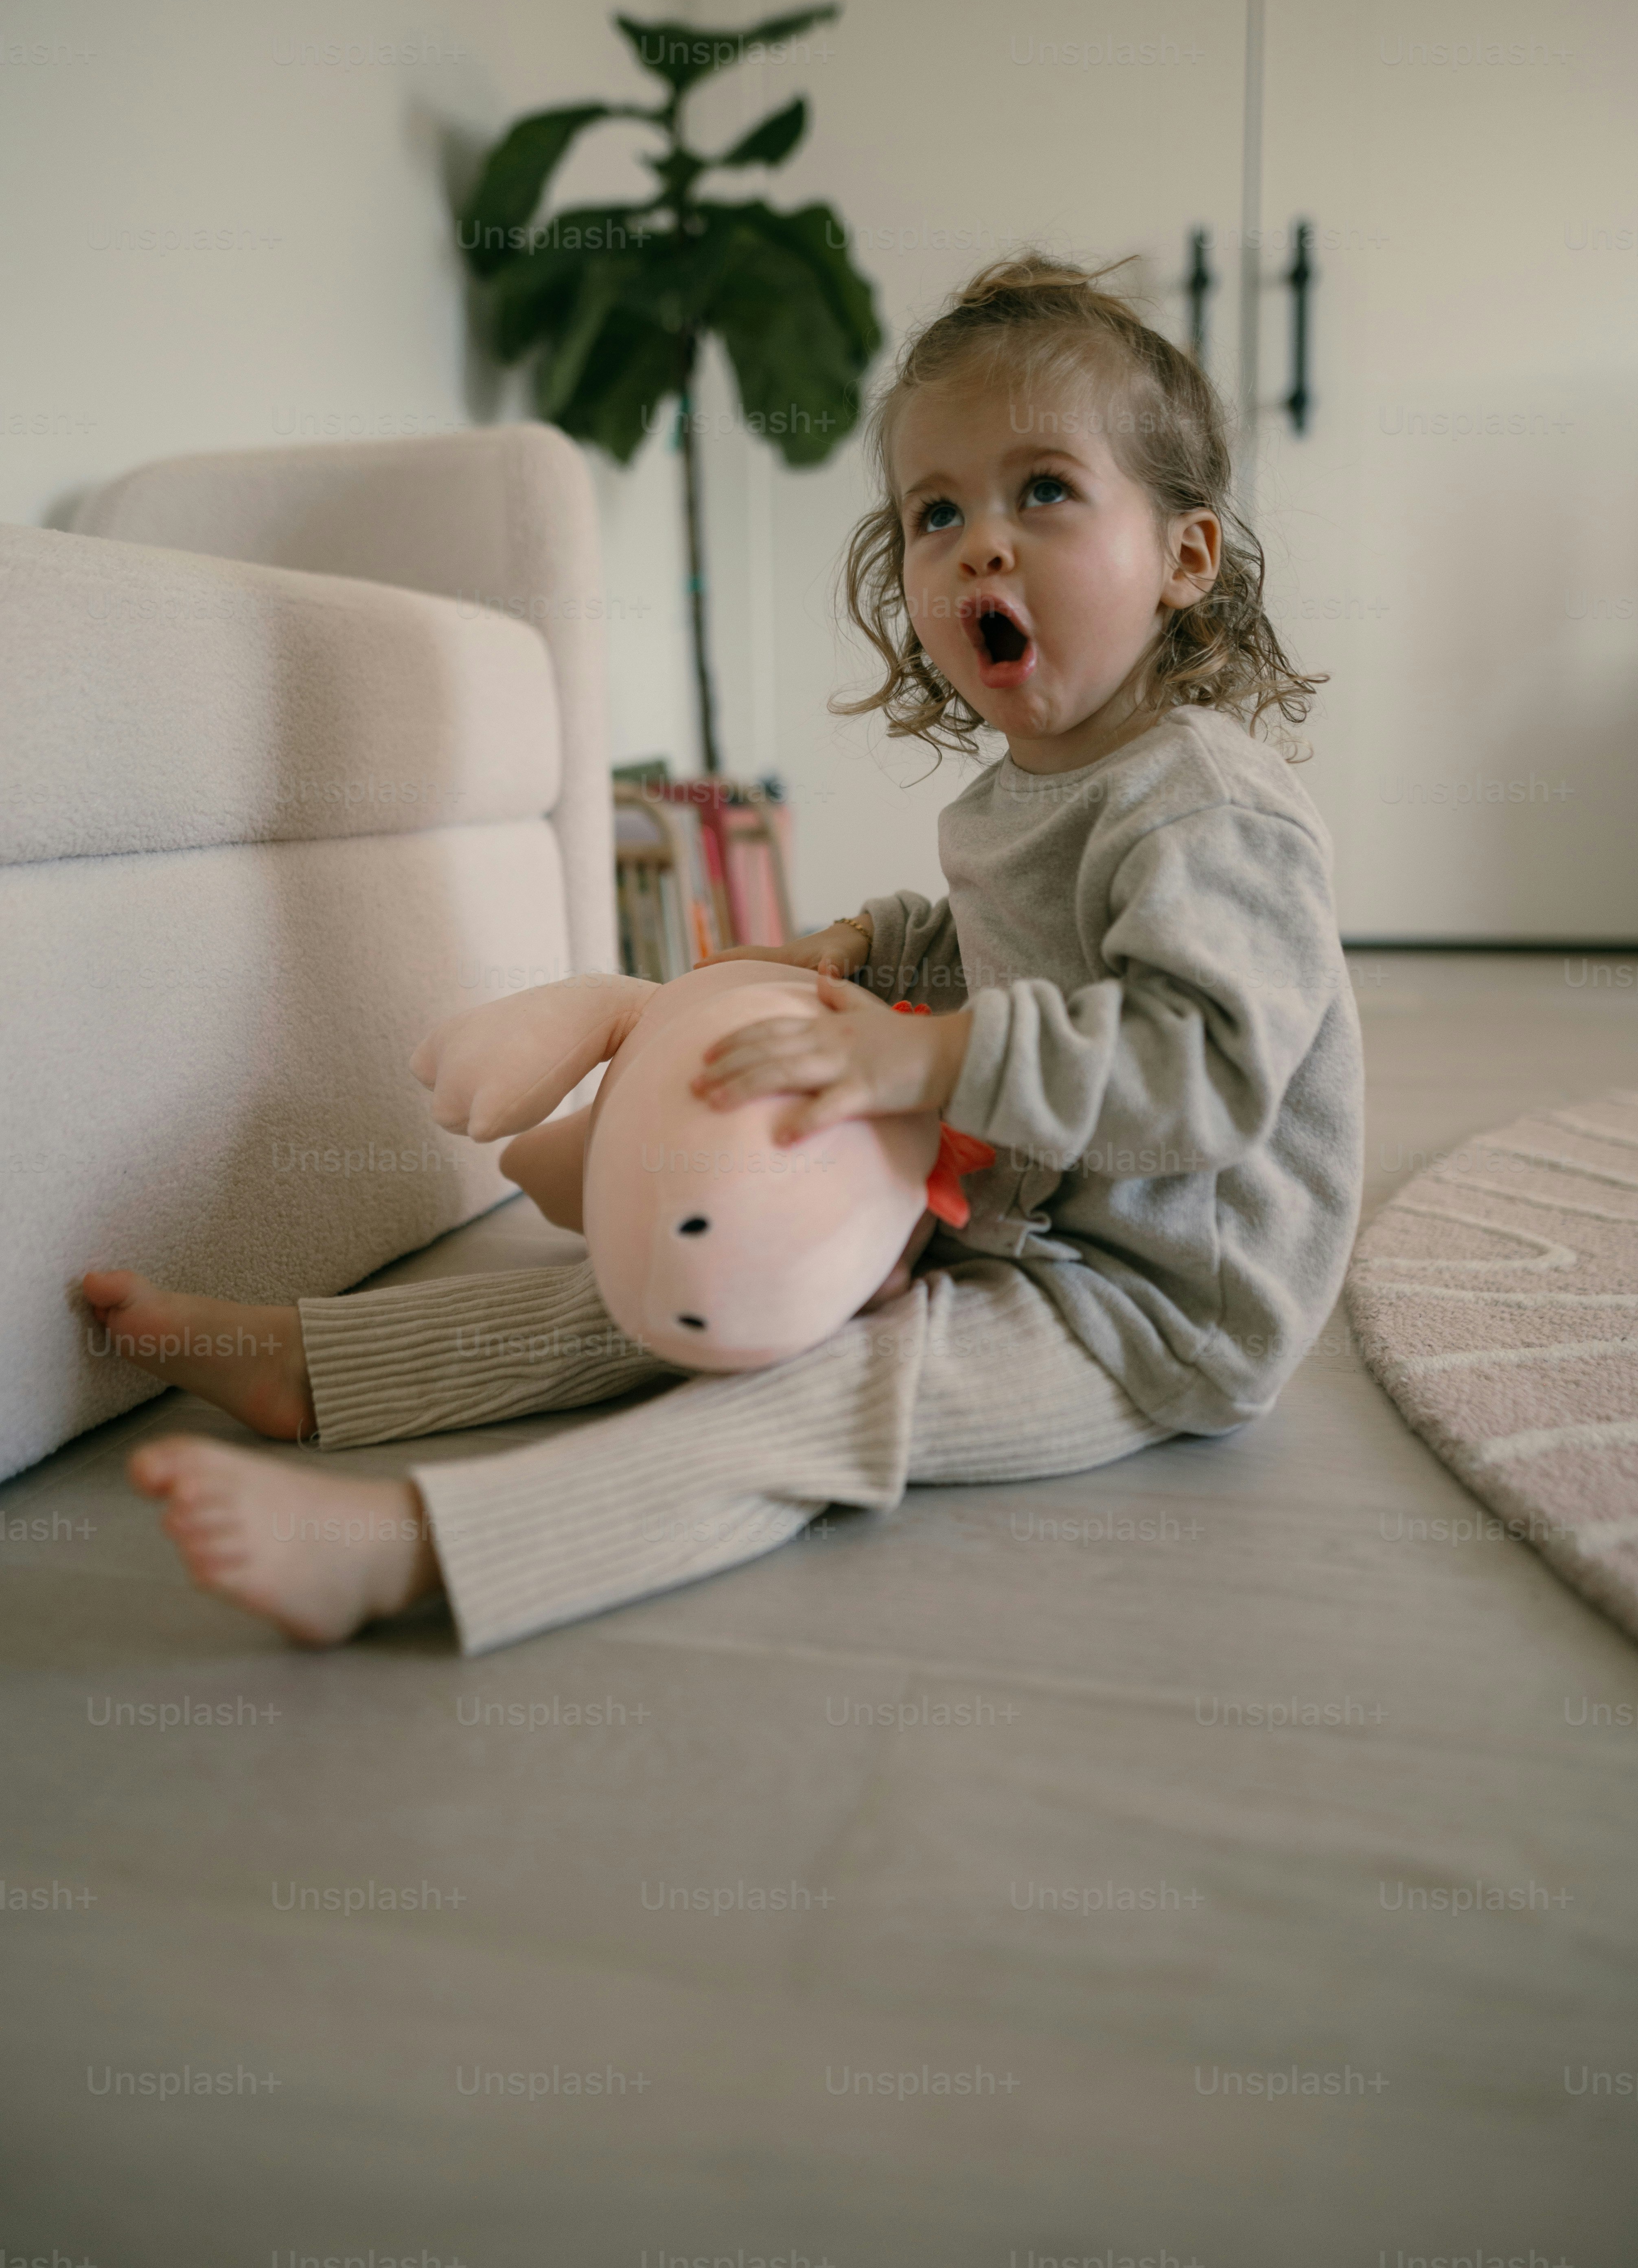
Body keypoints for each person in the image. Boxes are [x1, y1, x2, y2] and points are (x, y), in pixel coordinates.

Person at [83, 255, 1364, 1656]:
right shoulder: (1015, 795)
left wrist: (931, 1057)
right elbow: (1011, 954)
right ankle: (310, 1370)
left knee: (819, 1392)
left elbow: (1206, 1072)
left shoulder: (1210, 810)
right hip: (1013, 1216)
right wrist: (874, 950)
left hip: (1153, 1302)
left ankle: (417, 1552)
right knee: (666, 1298)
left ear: (1185, 555)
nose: (981, 544)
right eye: (938, 514)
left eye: (1044, 490)